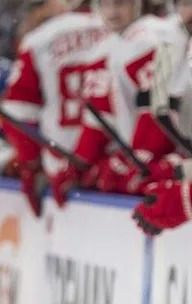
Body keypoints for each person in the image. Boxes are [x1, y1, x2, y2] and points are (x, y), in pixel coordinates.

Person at [49, 0, 192, 205]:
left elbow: (159, 110)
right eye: (105, 4)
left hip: (172, 159)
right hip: (158, 161)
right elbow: (100, 116)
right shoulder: (111, 46)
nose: (112, 13)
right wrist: (80, 163)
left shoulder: (149, 39)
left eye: (120, 4)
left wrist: (143, 159)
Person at [1, 0, 106, 216]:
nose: (33, 14)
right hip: (111, 163)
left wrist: (31, 165)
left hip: (62, 167)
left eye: (37, 5)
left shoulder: (36, 41)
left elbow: (17, 112)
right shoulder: (111, 28)